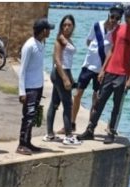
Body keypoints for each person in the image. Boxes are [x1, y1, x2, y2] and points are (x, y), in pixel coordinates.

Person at [78, 4, 130, 144]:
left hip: (123, 74)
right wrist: (103, 70)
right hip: (109, 72)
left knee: (116, 106)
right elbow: (112, 50)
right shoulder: (119, 29)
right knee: (99, 102)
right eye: (125, 16)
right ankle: (90, 130)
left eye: (129, 16)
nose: (126, 18)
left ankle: (111, 132)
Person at [70, 4, 123, 134]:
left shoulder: (117, 32)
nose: (114, 20)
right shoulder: (96, 26)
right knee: (77, 95)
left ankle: (89, 128)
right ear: (108, 15)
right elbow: (88, 41)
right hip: (87, 66)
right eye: (112, 17)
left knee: (96, 100)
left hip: (101, 71)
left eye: (117, 18)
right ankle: (71, 124)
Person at [17, 17, 54, 156]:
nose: (50, 31)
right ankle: (21, 144)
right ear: (44, 31)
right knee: (28, 115)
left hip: (38, 86)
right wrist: (22, 92)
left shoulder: (41, 44)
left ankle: (28, 142)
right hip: (29, 87)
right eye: (48, 29)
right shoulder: (29, 46)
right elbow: (22, 69)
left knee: (33, 116)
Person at [44, 14, 80, 145]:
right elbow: (58, 61)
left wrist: (70, 77)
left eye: (69, 25)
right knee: (68, 104)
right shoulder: (60, 39)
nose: (66, 27)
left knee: (54, 103)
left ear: (73, 27)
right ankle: (69, 135)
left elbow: (67, 62)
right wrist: (65, 78)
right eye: (64, 25)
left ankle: (49, 134)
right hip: (60, 72)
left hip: (65, 72)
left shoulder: (68, 40)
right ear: (61, 26)